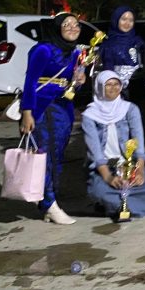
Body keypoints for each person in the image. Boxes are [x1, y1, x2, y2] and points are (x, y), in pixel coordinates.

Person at [19, 12, 85, 224]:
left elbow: (71, 86)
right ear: (57, 28)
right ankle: (49, 203)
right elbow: (30, 81)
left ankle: (49, 199)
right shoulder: (43, 49)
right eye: (66, 24)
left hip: (64, 108)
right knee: (44, 156)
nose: (72, 28)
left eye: (76, 24)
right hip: (43, 108)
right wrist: (27, 112)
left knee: (57, 155)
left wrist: (79, 81)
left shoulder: (76, 53)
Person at [82, 71, 145, 218]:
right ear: (100, 87)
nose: (113, 88)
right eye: (108, 85)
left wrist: (140, 170)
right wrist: (108, 177)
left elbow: (138, 141)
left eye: (116, 84)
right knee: (98, 190)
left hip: (127, 164)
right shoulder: (89, 115)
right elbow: (95, 151)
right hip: (105, 166)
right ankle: (120, 204)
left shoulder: (130, 109)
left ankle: (121, 205)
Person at [98, 6, 145, 90]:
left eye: (131, 20)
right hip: (117, 89)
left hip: (138, 87)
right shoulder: (108, 45)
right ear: (116, 20)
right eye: (124, 19)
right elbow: (107, 69)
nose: (127, 23)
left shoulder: (138, 41)